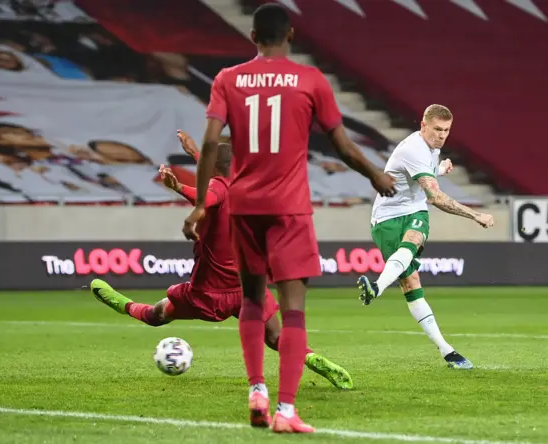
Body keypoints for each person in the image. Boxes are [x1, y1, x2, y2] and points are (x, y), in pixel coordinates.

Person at [181, 3, 396, 434]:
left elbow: (208, 145)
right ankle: (285, 411)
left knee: (253, 301)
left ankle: (256, 388)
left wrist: (203, 203)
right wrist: (375, 174)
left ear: (253, 36)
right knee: (293, 310)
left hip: (244, 206)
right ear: (291, 35)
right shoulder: (311, 80)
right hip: (289, 208)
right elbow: (341, 144)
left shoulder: (228, 79)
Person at [90, 132, 353, 394]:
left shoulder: (217, 187)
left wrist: (179, 187)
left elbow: (208, 197)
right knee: (275, 338)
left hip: (208, 292)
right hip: (247, 289)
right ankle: (310, 357)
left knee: (157, 315)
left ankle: (122, 304)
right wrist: (194, 151)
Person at [357, 104, 494, 370]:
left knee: (414, 246)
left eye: (446, 131)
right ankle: (378, 288)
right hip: (386, 219)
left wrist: (438, 169)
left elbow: (419, 176)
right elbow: (435, 197)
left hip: (412, 211)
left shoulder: (430, 147)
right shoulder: (414, 149)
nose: (442, 136)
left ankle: (447, 351)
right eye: (437, 129)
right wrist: (475, 215)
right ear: (423, 125)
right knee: (410, 284)